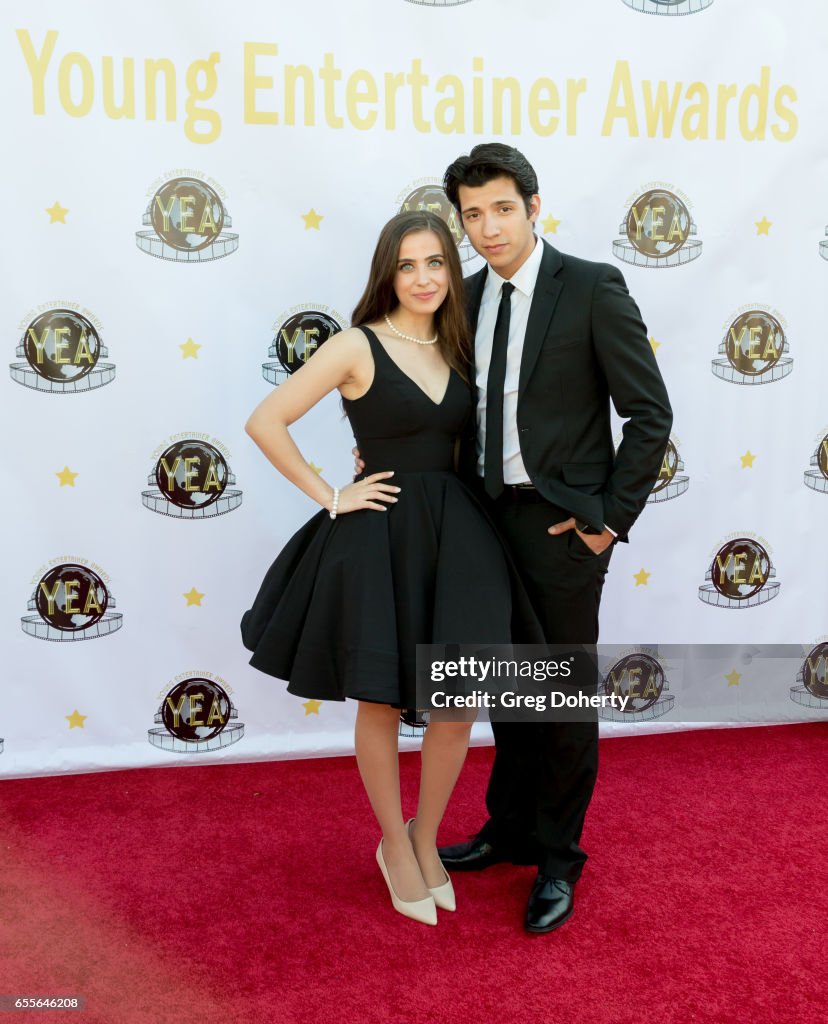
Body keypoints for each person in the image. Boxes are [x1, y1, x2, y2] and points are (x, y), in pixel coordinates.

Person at [240, 210, 543, 927]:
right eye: (408, 265)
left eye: (436, 262)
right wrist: (333, 494)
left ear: (451, 270)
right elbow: (264, 421)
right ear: (388, 271)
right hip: (378, 539)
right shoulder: (355, 345)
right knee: (380, 696)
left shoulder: (463, 345)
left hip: (460, 539)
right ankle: (391, 843)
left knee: (457, 700)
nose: (424, 277)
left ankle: (425, 837)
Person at [397, 144, 671, 934]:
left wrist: (606, 522)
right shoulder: (463, 298)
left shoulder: (589, 286)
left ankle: (558, 859)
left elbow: (649, 414)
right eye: (472, 214)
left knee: (558, 702)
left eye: (501, 209)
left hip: (559, 530)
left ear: (533, 206)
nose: (486, 228)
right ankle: (509, 830)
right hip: (481, 521)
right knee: (504, 690)